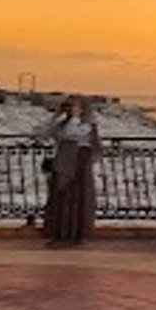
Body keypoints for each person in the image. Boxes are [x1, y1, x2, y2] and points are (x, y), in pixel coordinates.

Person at [33, 95, 101, 244]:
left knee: (77, 198)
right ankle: (60, 232)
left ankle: (78, 234)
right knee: (60, 198)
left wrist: (75, 117)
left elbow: (71, 134)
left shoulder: (87, 125)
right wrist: (55, 115)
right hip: (63, 162)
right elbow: (40, 133)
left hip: (78, 164)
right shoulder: (62, 124)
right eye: (68, 106)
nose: (70, 109)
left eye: (74, 106)